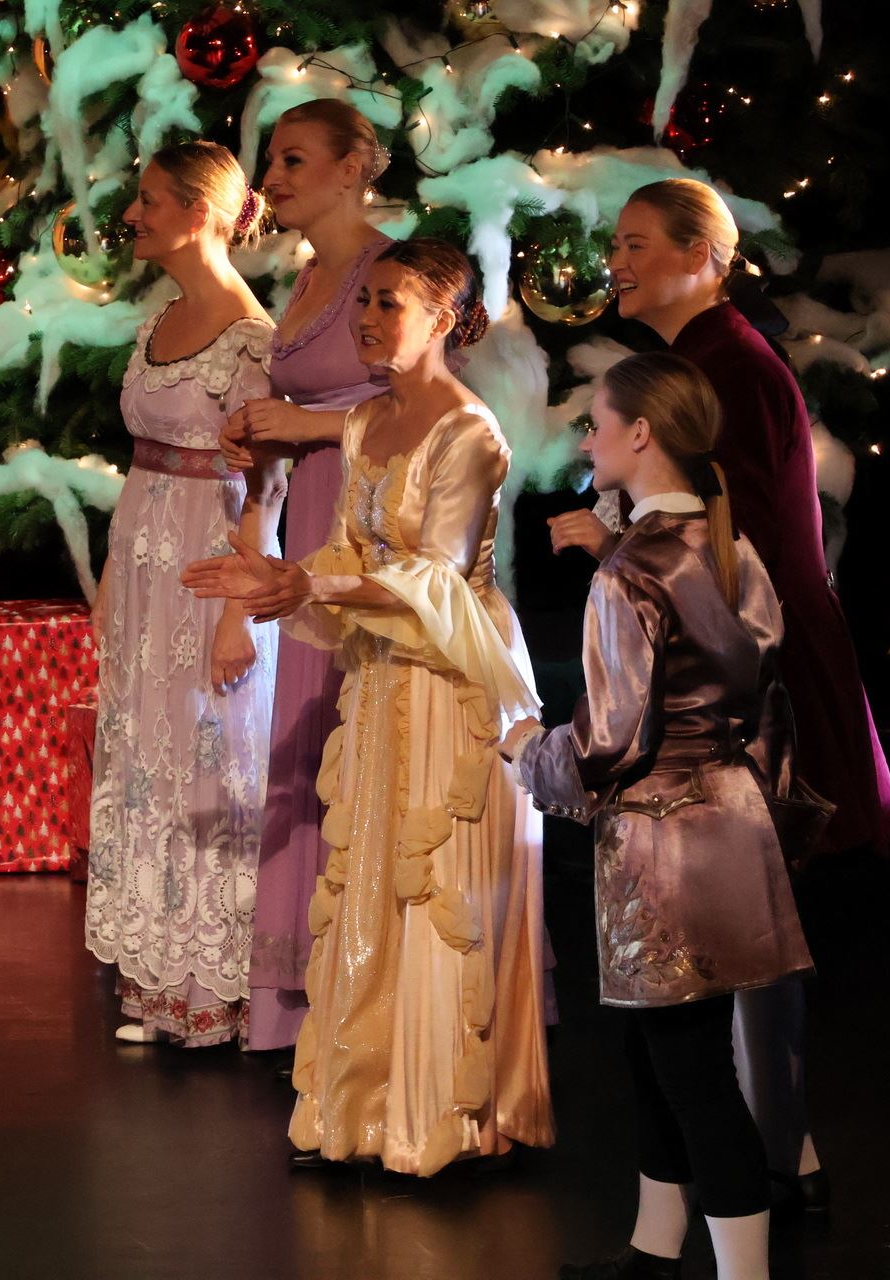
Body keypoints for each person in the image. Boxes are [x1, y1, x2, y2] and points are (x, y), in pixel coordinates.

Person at [551, 176, 890, 1200]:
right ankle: (774, 1155)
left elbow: (728, 552)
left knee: (750, 918)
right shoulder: (699, 361)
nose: (616, 262)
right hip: (737, 666)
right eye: (616, 243)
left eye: (638, 243)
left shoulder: (729, 369)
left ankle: (770, 1161)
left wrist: (618, 552)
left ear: (705, 255)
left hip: (754, 680)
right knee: (746, 922)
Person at [186, 238, 553, 1175]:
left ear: (443, 319)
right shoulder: (363, 424)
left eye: (391, 303)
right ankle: (363, 1109)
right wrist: (283, 578)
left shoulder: (469, 432)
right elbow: (355, 556)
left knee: (435, 888)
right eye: (365, 302)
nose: (368, 318)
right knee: (371, 879)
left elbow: (435, 579)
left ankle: (445, 1118)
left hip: (453, 674)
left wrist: (309, 588)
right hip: (385, 671)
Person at [505, 352, 816, 1280]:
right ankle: (653, 1250)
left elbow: (610, 740)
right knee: (657, 1053)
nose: (586, 443)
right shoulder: (727, 546)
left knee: (693, 1075)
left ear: (641, 434)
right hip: (732, 822)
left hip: (663, 842)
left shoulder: (631, 570)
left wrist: (528, 750)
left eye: (597, 424)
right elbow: (765, 699)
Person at [84, 140, 282, 1047]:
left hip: (209, 572)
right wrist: (110, 581)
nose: (133, 214)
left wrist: (241, 614)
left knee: (210, 758)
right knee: (146, 760)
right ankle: (156, 978)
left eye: (151, 200)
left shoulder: (250, 340)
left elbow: (268, 486)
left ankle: (215, 988)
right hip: (144, 569)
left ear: (201, 214)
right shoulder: (160, 320)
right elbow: (143, 465)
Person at [220, 99, 394, 1054]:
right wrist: (261, 434)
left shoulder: (392, 274)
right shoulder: (306, 277)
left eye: (293, 160)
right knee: (311, 736)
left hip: (377, 523)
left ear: (351, 167)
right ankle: (307, 996)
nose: (273, 178)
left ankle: (375, 991)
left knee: (363, 738)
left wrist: (311, 424)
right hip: (315, 517)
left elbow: (443, 417)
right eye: (271, 160)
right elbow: (299, 413)